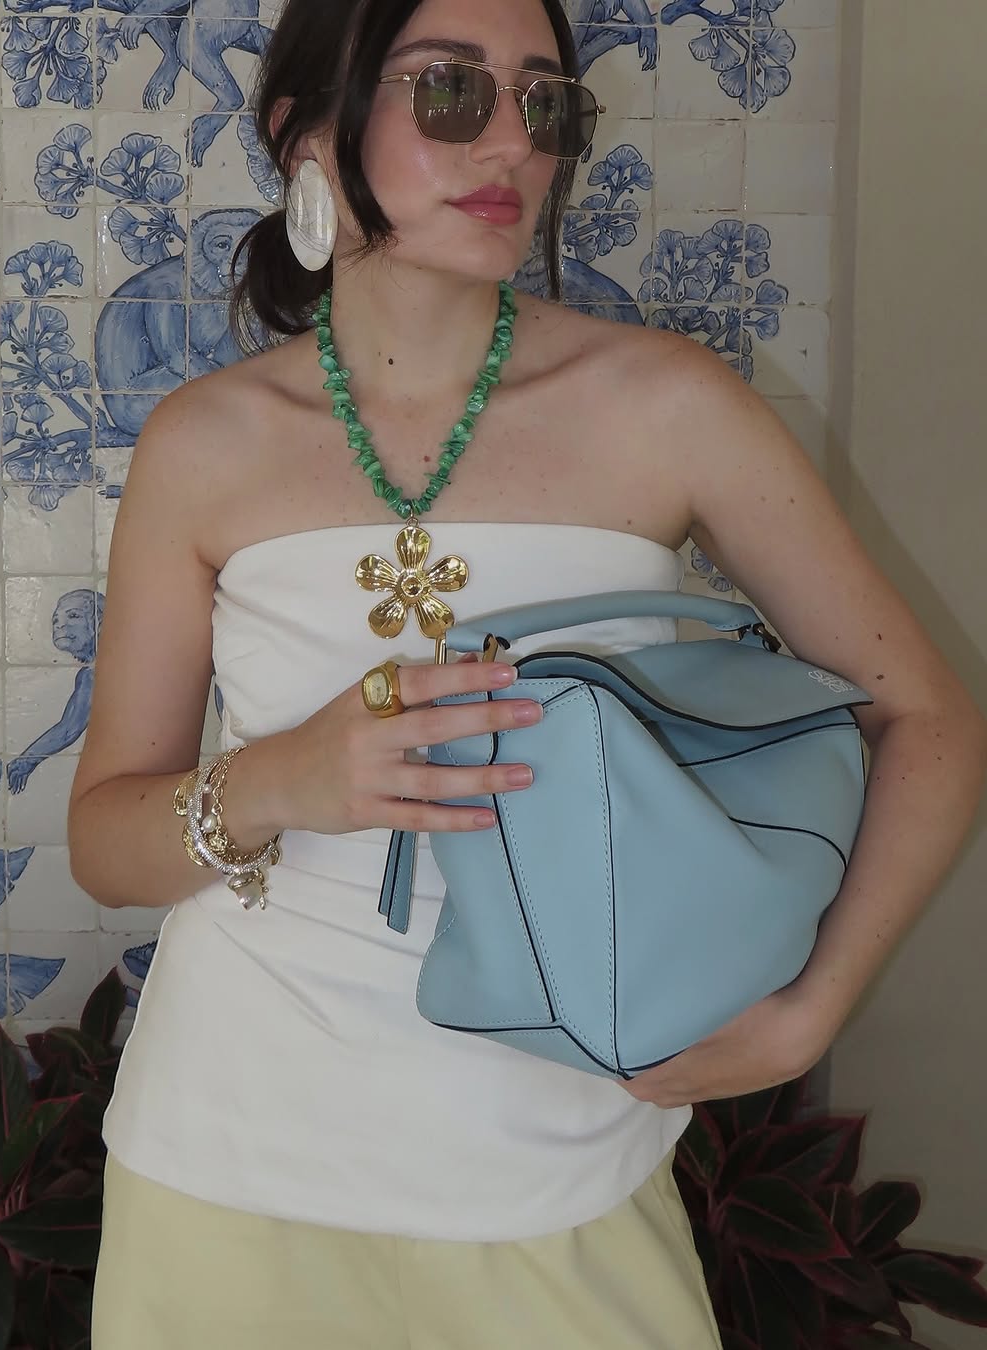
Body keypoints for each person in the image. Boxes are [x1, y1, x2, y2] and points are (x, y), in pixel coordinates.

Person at [72, 0, 987, 1344]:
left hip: (565, 1163)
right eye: (450, 89)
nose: (510, 140)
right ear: (305, 132)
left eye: (544, 101)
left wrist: (809, 1015)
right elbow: (105, 841)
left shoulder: (670, 407)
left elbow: (931, 719)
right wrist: (281, 780)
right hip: (227, 1166)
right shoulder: (203, 444)